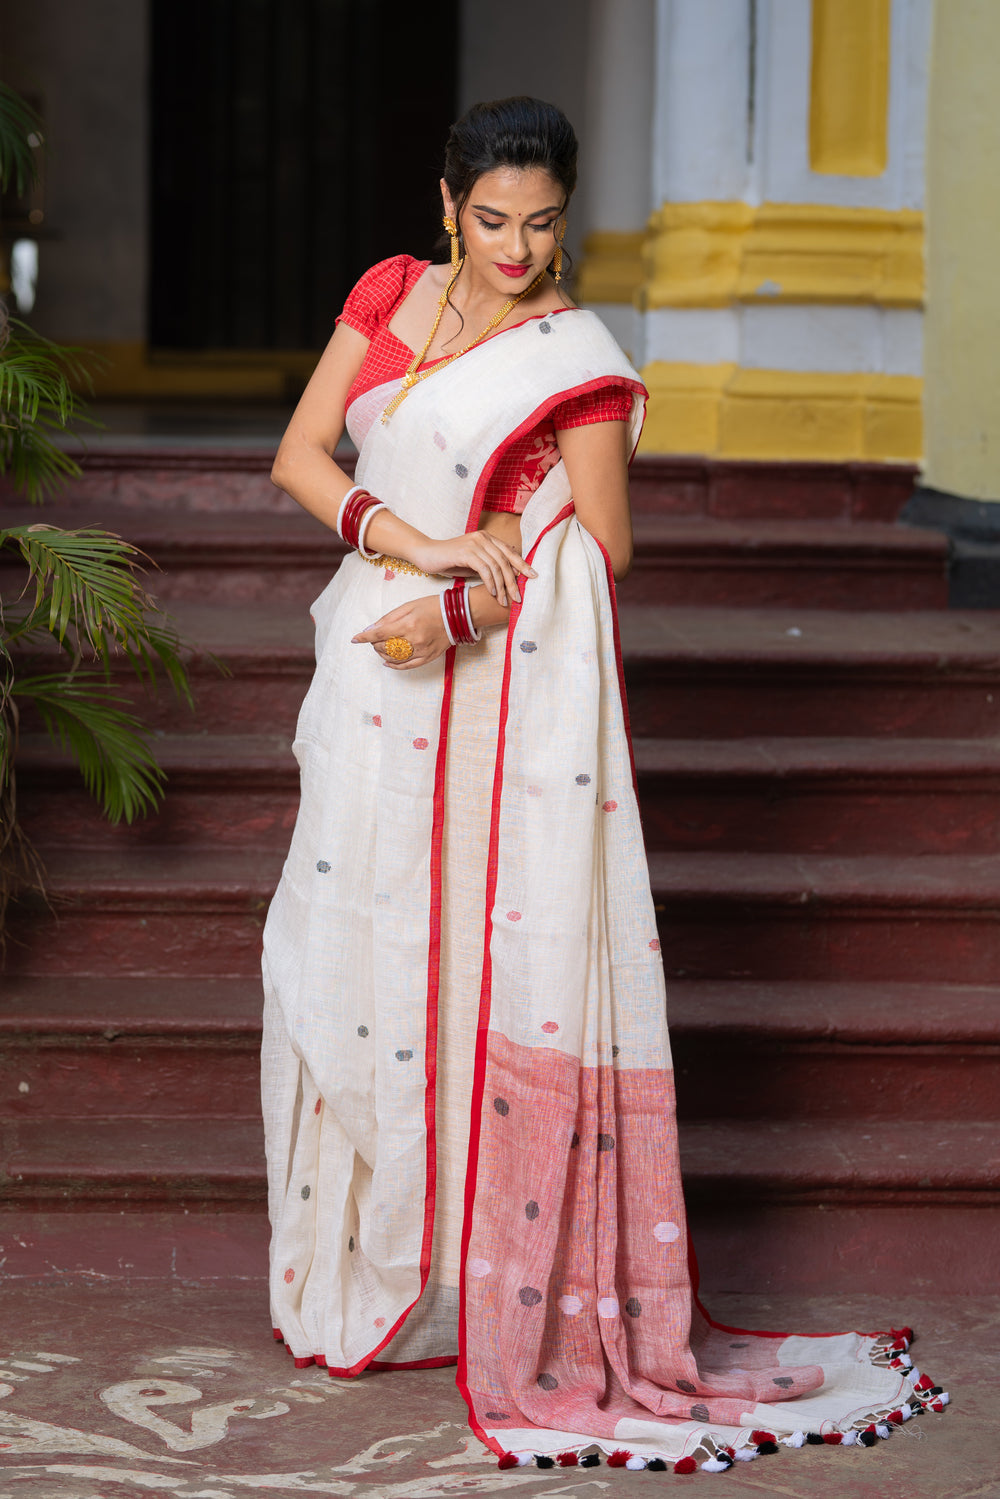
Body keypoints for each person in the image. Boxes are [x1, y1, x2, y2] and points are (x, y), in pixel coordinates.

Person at [261, 97, 944, 1472]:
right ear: (446, 203)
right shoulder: (388, 296)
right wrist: (431, 547)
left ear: (568, 218)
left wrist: (466, 594)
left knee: (460, 970)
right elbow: (298, 453)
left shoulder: (576, 359)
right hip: (363, 664)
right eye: (494, 219)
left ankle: (471, 1282)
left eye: (545, 222)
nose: (518, 247)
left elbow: (606, 547)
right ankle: (361, 1262)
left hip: (485, 704)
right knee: (335, 963)